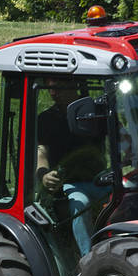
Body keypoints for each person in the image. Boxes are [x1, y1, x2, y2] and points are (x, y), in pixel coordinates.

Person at [36, 81, 113, 255]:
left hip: (102, 180)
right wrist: (44, 175)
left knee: (128, 196)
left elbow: (122, 137)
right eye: (50, 88)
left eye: (57, 87)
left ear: (73, 86)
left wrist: (130, 152)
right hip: (70, 184)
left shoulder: (98, 112)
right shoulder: (46, 119)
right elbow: (41, 152)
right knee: (81, 204)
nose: (53, 93)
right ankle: (89, 258)